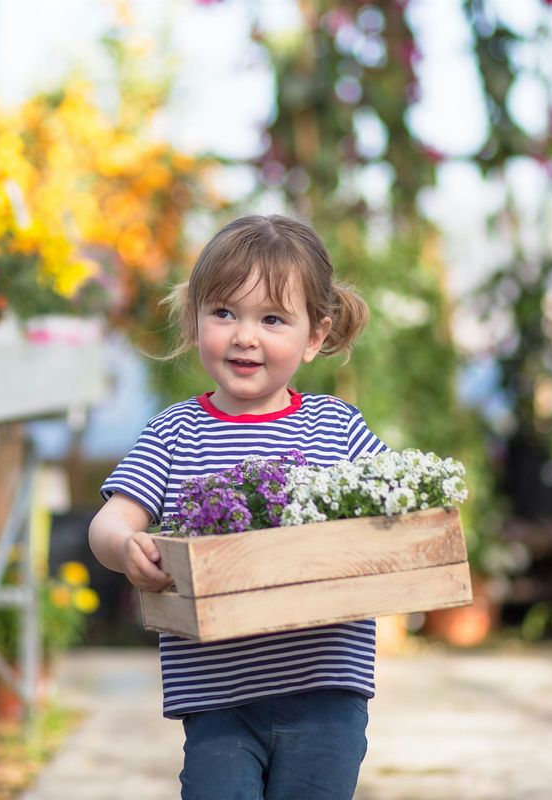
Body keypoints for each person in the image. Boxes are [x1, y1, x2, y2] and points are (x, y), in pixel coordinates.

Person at [89, 214, 388, 799]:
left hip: (326, 690)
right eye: (224, 313)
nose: (245, 335)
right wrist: (127, 547)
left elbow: (394, 516)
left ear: (315, 336)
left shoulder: (337, 429)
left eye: (273, 319)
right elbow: (112, 518)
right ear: (195, 318)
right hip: (217, 698)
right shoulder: (176, 432)